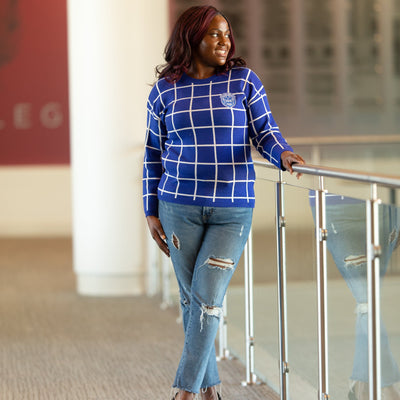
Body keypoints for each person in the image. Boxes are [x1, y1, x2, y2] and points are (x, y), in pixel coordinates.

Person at [142, 6, 305, 400]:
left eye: (227, 35)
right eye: (214, 34)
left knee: (207, 296)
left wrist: (283, 154)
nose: (224, 41)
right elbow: (152, 153)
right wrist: (149, 209)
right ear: (191, 38)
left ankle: (184, 390)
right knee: (192, 298)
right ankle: (211, 389)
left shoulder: (243, 80)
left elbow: (265, 131)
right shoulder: (165, 90)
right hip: (177, 206)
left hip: (232, 209)